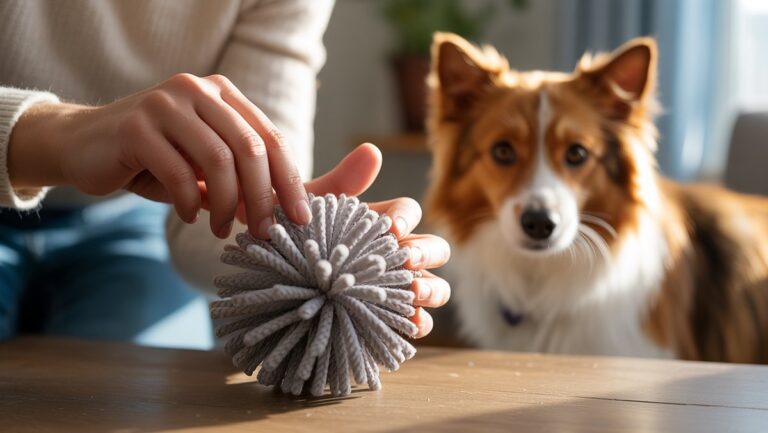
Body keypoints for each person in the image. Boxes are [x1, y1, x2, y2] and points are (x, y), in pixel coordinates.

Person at [0, 1, 450, 349]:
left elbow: (220, 228)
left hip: (134, 217)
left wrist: (302, 247)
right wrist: (59, 138)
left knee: (136, 401)